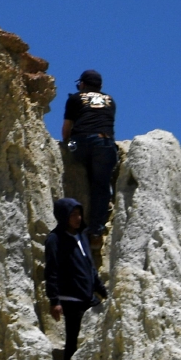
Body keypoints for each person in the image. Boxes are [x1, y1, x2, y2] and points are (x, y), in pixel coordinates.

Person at [44, 196, 107, 360]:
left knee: (100, 329)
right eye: (73, 215)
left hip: (88, 296)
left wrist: (103, 291)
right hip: (71, 299)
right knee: (73, 340)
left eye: (79, 214)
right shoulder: (55, 239)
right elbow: (51, 271)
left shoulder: (82, 235)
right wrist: (54, 300)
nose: (77, 218)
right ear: (64, 216)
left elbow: (90, 267)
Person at [61, 69, 118, 245]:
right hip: (104, 143)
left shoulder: (75, 99)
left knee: (76, 172)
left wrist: (66, 145)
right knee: (101, 187)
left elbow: (66, 129)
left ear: (82, 84)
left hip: (80, 143)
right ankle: (95, 231)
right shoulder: (110, 101)